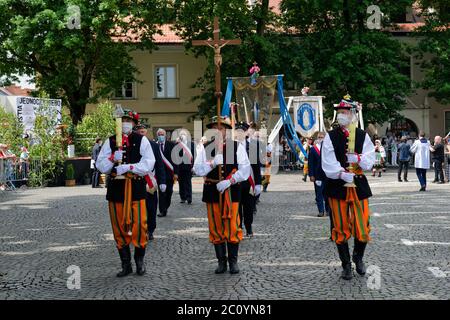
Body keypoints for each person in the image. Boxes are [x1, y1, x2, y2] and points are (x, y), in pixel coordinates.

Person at [96, 109, 155, 277]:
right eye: (123, 120)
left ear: (134, 123)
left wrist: (130, 167)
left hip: (136, 188)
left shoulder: (141, 139)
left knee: (139, 226)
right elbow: (101, 166)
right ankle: (125, 264)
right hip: (116, 189)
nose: (125, 123)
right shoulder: (111, 141)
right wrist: (112, 159)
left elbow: (149, 163)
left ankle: (139, 262)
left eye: (129, 120)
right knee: (119, 227)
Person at [322, 95, 375, 280]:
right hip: (337, 186)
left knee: (362, 225)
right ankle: (345, 265)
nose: (341, 115)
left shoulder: (362, 135)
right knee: (340, 226)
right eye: (339, 113)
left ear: (352, 114)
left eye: (344, 112)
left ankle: (358, 257)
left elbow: (371, 159)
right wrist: (341, 173)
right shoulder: (330, 136)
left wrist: (359, 159)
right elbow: (327, 162)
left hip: (358, 184)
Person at [193, 116, 250, 274]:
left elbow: (245, 170)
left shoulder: (236, 146)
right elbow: (197, 169)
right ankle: (221, 262)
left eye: (221, 128)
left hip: (231, 191)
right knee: (215, 227)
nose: (218, 131)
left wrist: (230, 181)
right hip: (212, 191)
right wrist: (212, 163)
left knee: (232, 226)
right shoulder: (206, 148)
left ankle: (233, 261)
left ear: (226, 131)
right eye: (215, 128)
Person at [134, 123, 166, 241]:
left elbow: (159, 164)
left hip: (150, 181)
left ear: (146, 132)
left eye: (143, 132)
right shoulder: (133, 145)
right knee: (137, 207)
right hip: (137, 180)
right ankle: (138, 229)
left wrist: (162, 181)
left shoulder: (153, 145)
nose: (141, 134)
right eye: (139, 132)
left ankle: (150, 229)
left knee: (151, 208)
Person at [235, 121, 262, 238]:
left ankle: (249, 227)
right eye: (238, 131)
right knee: (237, 206)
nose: (240, 133)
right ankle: (238, 227)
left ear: (246, 132)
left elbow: (256, 165)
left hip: (249, 181)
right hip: (236, 181)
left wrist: (258, 183)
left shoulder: (253, 146)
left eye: (242, 131)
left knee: (248, 206)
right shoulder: (232, 146)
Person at [308, 132, 332, 221]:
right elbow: (310, 163)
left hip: (327, 175)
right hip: (317, 176)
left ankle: (328, 210)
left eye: (322, 137)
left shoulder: (328, 148)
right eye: (319, 137)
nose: (320, 139)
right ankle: (321, 211)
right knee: (319, 193)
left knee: (327, 193)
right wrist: (311, 175)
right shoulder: (313, 149)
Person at [156, 128, 178, 217]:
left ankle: (166, 206)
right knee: (161, 192)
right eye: (159, 134)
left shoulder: (171, 145)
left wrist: (176, 173)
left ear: (165, 136)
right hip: (159, 174)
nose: (161, 136)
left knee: (169, 192)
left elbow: (176, 160)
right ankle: (162, 210)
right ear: (157, 136)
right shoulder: (155, 145)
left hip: (170, 173)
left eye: (162, 134)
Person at [176, 129, 195, 204]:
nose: (183, 136)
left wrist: (194, 166)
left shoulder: (192, 144)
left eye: (184, 134)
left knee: (188, 182)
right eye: (181, 134)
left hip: (188, 166)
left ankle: (189, 197)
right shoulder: (178, 145)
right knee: (181, 182)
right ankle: (183, 197)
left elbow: (194, 155)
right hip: (180, 167)